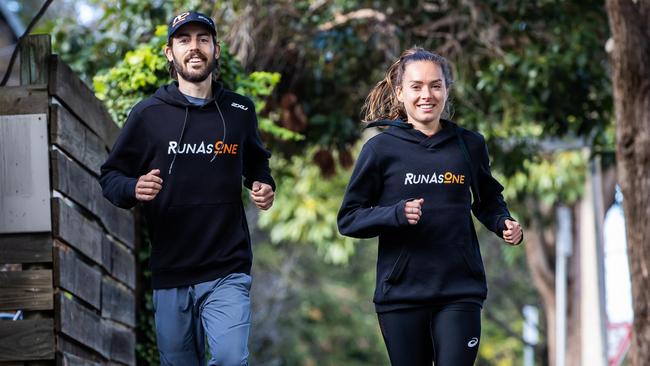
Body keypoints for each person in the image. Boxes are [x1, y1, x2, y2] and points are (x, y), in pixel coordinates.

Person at [99, 11, 275, 366]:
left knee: (229, 359)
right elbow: (110, 177)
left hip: (227, 267)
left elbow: (257, 164)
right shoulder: (148, 114)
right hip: (171, 269)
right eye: (184, 40)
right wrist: (134, 187)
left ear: (216, 49)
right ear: (169, 52)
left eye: (202, 39)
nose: (194, 48)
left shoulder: (240, 110)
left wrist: (264, 185)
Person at [337, 47, 523, 366]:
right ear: (400, 92)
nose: (427, 94)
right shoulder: (380, 149)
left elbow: (488, 199)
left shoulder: (469, 144)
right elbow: (349, 219)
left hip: (460, 289)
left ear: (446, 90)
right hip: (401, 295)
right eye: (417, 86)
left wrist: (503, 222)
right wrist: (395, 214)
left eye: (435, 85)